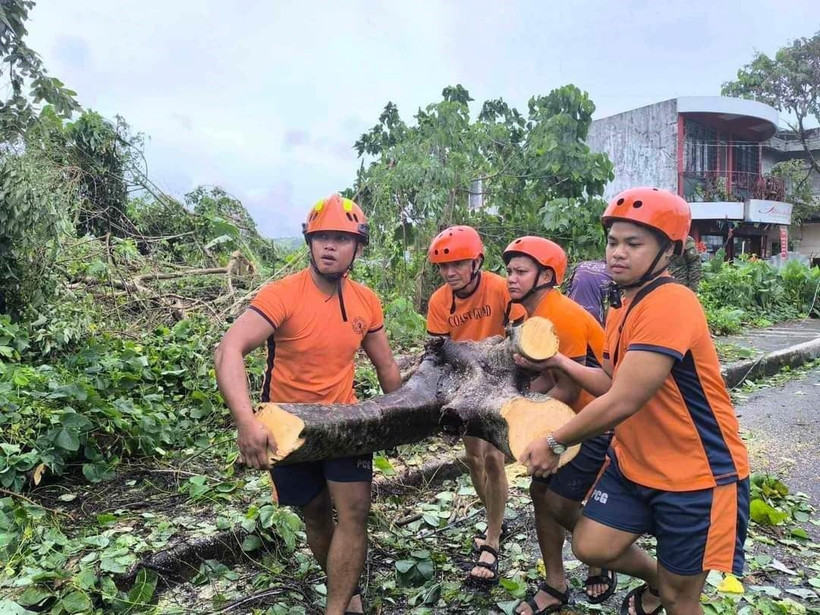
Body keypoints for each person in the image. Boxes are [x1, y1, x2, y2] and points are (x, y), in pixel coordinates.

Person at [519, 187, 750, 615]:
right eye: (612, 242)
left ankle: (672, 592)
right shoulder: (622, 307)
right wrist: (557, 360)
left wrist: (555, 441)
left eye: (633, 243)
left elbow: (624, 399)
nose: (617, 253)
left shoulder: (672, 302)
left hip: (695, 477)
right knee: (591, 544)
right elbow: (609, 380)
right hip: (637, 465)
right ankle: (662, 585)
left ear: (668, 250)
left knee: (684, 602)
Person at [214, 194, 402, 615]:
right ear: (309, 243)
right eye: (321, 238)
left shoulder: (366, 301)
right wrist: (245, 421)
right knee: (316, 514)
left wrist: (401, 419)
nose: (329, 246)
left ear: (358, 247)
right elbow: (229, 349)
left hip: (345, 423)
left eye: (340, 238)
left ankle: (337, 607)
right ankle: (346, 590)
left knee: (353, 515)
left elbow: (387, 367)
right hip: (287, 425)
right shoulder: (282, 295)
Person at [502, 237, 616, 614]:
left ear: (546, 275)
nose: (511, 279)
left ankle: (601, 554)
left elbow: (566, 389)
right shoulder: (526, 317)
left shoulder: (561, 314)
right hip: (557, 418)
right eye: (509, 271)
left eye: (521, 272)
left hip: (591, 422)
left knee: (560, 504)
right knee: (540, 495)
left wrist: (518, 414)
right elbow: (543, 382)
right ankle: (555, 582)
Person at [425, 225, 526, 585]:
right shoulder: (440, 301)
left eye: (458, 265)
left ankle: (494, 539)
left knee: (493, 458)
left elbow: (519, 332)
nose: (450, 273)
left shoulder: (500, 288)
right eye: (444, 267)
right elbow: (438, 350)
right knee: (473, 458)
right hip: (464, 386)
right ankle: (493, 518)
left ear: (476, 262)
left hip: (499, 380)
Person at [566, 259, 612, 326]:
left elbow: (568, 289)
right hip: (594, 317)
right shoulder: (613, 273)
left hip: (571, 310)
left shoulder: (581, 265)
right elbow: (612, 306)